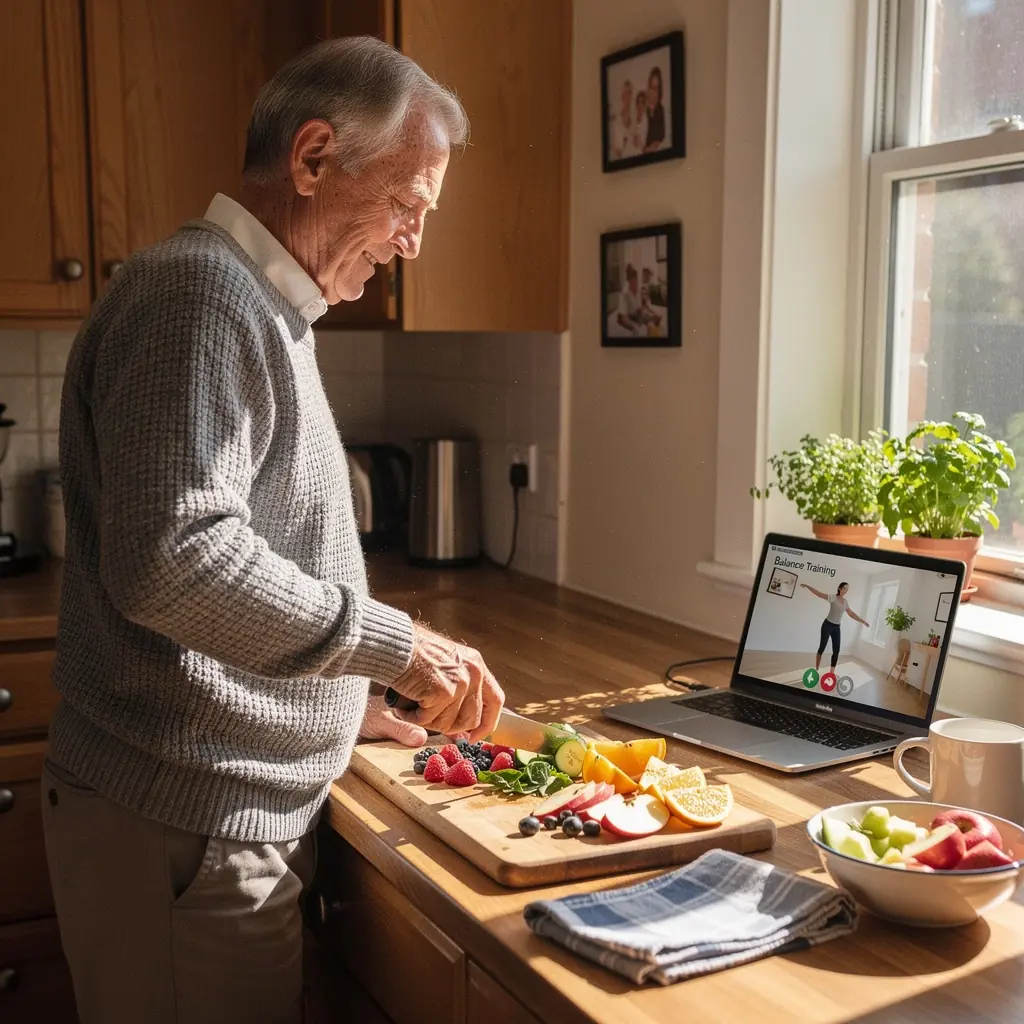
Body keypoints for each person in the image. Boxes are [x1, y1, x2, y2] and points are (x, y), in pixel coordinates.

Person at [42, 36, 504, 1024]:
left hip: (201, 813)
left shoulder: (257, 303)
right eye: (407, 205)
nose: (412, 241)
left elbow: (228, 559)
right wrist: (400, 647)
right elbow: (177, 562)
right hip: (181, 823)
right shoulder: (201, 296)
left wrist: (340, 705)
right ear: (311, 159)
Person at [801, 581, 870, 672]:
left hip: (836, 628)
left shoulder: (845, 602)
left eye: (847, 589)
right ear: (840, 588)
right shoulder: (833, 597)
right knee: (822, 647)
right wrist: (807, 585)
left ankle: (831, 672)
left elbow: (852, 614)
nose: (846, 591)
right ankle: (816, 669)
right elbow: (819, 594)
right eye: (844, 588)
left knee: (836, 650)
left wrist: (863, 621)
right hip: (827, 625)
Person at [616, 263, 644, 335]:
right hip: (623, 318)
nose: (635, 285)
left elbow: (639, 310)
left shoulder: (639, 292)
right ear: (629, 281)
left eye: (636, 282)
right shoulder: (624, 294)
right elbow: (624, 319)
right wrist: (633, 327)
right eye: (632, 282)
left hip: (633, 315)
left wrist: (640, 320)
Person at [644, 66, 666, 152]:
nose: (652, 92)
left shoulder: (661, 111)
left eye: (656, 89)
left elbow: (661, 140)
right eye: (651, 87)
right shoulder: (641, 109)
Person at [611, 77, 634, 160]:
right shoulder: (616, 122)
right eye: (625, 94)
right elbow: (617, 152)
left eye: (630, 93)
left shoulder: (636, 119)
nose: (628, 96)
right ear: (622, 96)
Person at [632, 89, 648, 156]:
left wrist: (639, 143)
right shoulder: (634, 120)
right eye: (638, 103)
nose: (640, 106)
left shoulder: (646, 121)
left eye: (642, 103)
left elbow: (645, 146)